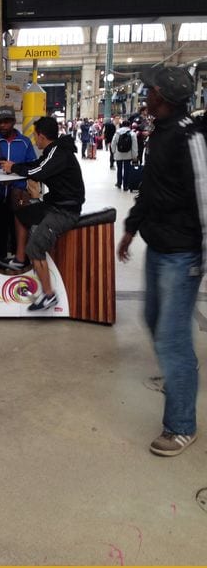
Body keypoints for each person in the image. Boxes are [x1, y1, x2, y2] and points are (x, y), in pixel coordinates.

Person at [117, 64, 207, 457]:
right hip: (159, 246)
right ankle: (179, 376)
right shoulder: (161, 133)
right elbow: (151, 190)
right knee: (153, 319)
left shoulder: (190, 136)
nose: (144, 94)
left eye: (149, 90)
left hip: (183, 252)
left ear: (163, 97)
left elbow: (205, 196)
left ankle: (182, 425)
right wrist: (132, 228)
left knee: (173, 339)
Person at [0, 116, 85, 311]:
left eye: (35, 135)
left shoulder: (59, 153)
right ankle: (20, 260)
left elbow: (37, 172)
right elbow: (36, 164)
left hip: (65, 210)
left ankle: (48, 295)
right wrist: (15, 167)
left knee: (35, 247)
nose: (34, 139)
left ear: (42, 136)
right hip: (55, 204)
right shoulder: (53, 150)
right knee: (21, 214)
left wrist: (13, 167)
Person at [0, 105, 37, 269]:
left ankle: (19, 270)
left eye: (6, 122)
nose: (3, 126)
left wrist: (15, 167)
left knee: (19, 237)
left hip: (18, 197)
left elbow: (32, 165)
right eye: (0, 122)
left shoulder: (25, 143)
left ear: (13, 122)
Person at [112, 120, 138, 191]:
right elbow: (134, 146)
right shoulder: (132, 133)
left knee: (119, 169)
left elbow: (113, 143)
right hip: (128, 154)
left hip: (118, 154)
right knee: (127, 170)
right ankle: (126, 185)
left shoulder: (117, 133)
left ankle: (119, 183)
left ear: (122, 125)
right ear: (129, 125)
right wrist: (135, 156)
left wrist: (113, 151)